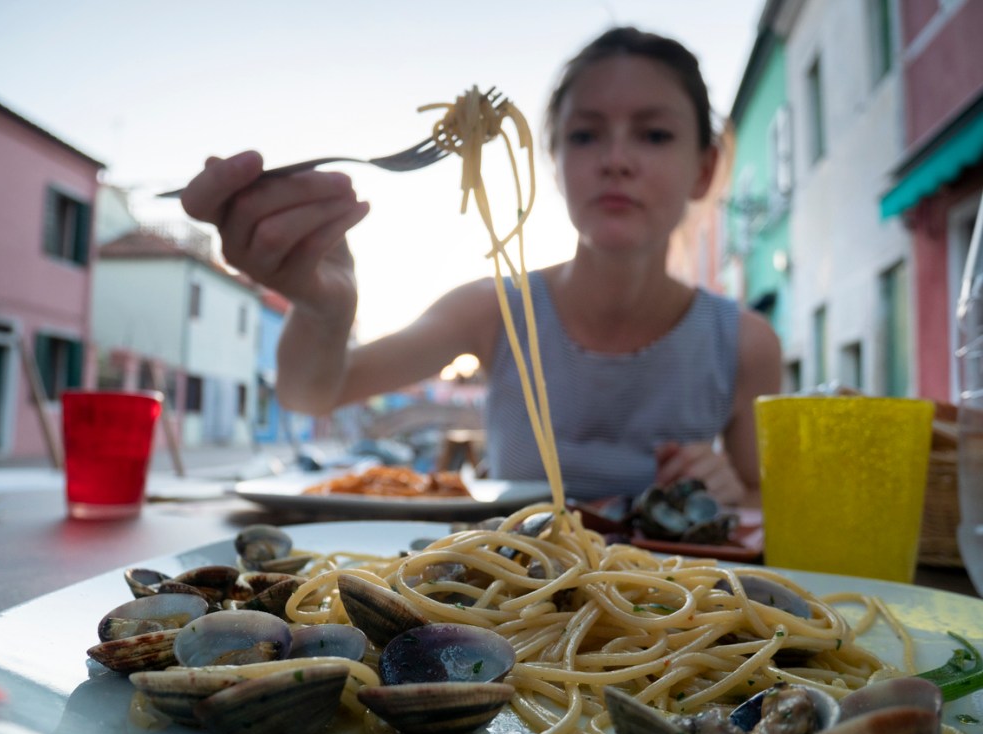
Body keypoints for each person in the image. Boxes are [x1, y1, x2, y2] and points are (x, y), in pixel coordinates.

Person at [179, 26, 782, 507]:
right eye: (585, 136)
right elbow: (316, 392)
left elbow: (763, 500)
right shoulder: (497, 308)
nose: (617, 160)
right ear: (551, 160)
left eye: (653, 135)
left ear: (703, 168)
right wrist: (322, 307)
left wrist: (733, 490)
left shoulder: (744, 344)